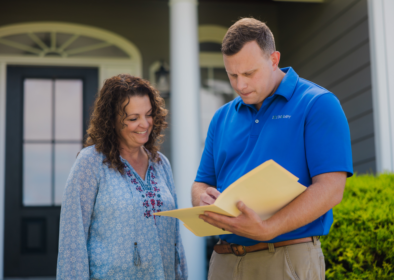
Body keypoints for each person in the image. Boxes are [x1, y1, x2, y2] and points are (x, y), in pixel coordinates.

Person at [192, 18, 353, 279]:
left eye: (249, 73)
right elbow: (201, 182)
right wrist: (202, 198)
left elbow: (332, 189)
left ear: (274, 59)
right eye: (232, 75)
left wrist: (268, 228)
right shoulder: (221, 117)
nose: (240, 85)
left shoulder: (318, 104)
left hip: (286, 258)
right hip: (223, 262)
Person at [57, 74, 187, 280]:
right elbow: (73, 239)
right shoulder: (90, 162)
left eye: (149, 114)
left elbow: (175, 238)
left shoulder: (161, 163)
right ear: (112, 122)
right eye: (133, 118)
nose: (144, 124)